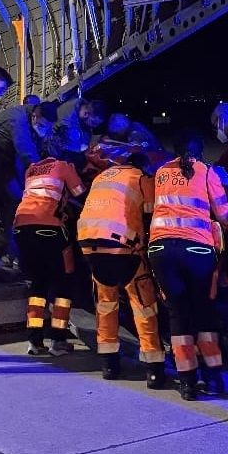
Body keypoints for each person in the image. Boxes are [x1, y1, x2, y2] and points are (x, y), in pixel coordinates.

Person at [148, 132, 228, 400]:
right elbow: (224, 215)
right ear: (200, 150)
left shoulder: (161, 172)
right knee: (204, 312)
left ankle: (187, 382)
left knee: (178, 314)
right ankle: (213, 374)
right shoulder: (206, 172)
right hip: (196, 249)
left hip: (160, 249)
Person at [78, 153, 166, 388]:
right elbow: (151, 214)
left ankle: (109, 364)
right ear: (143, 166)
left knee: (106, 305)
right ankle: (154, 369)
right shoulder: (140, 178)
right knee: (144, 306)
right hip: (124, 248)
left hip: (90, 247)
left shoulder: (101, 176)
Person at [13, 151, 87, 356]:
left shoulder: (31, 169)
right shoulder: (64, 165)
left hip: (21, 228)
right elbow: (81, 193)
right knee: (63, 287)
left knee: (37, 287)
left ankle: (34, 341)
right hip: (50, 229)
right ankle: (58, 341)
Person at [0, 101, 59, 262]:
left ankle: (1, 211)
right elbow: (26, 152)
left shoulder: (35, 119)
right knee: (14, 198)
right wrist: (44, 176)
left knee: (16, 189)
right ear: (35, 117)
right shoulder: (19, 121)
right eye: (43, 125)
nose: (45, 129)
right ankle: (11, 251)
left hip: (9, 151)